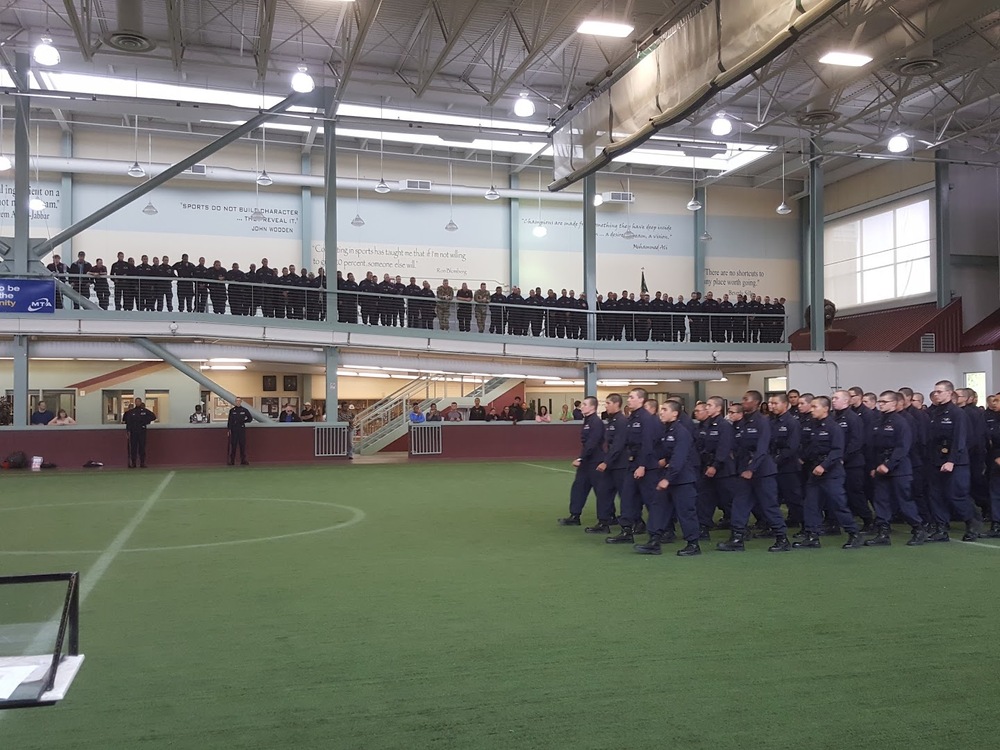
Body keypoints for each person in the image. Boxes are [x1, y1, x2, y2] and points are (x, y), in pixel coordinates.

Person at [791, 396, 864, 550]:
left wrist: (824, 466)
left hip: (831, 472)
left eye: (814, 407)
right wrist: (802, 458)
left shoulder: (834, 427)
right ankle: (812, 536)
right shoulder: (813, 426)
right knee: (811, 504)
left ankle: (854, 534)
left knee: (838, 504)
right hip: (815, 470)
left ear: (825, 408)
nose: (811, 410)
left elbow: (837, 450)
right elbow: (811, 446)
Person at [634, 401, 702, 556]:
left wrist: (668, 478)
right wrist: (662, 459)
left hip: (682, 480)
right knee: (658, 508)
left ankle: (693, 544)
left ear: (675, 413)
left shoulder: (681, 432)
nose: (661, 412)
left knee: (686, 512)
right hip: (667, 478)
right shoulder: (664, 431)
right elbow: (660, 450)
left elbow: (679, 458)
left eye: (665, 409)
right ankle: (654, 541)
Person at [864, 391, 927, 546]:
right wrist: (874, 466)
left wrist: (888, 465)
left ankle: (918, 529)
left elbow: (903, 447)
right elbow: (872, 447)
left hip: (899, 468)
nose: (881, 404)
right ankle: (883, 533)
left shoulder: (901, 422)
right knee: (881, 501)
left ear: (894, 403)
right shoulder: (877, 421)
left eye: (885, 402)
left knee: (904, 501)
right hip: (880, 468)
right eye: (880, 401)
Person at [558, 396, 615, 529]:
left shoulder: (596, 422)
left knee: (601, 491)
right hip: (587, 461)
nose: (582, 406)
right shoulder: (587, 421)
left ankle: (607, 519)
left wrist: (581, 458)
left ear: (592, 407)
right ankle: (575, 515)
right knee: (578, 488)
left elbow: (592, 443)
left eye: (584, 404)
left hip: (595, 461)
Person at [123, 398, 156, 468]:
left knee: (142, 447)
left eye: (139, 401)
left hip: (142, 431)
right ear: (135, 402)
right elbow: (128, 422)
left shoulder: (144, 411)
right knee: (133, 448)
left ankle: (142, 463)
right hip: (133, 432)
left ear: (141, 402)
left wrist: (146, 421)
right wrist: (128, 431)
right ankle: (134, 463)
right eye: (136, 401)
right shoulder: (131, 412)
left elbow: (153, 416)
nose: (137, 403)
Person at [227, 397, 253, 465]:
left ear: (241, 402)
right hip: (234, 429)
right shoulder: (232, 410)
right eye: (237, 401)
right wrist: (229, 429)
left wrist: (244, 421)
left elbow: (250, 418)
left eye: (239, 401)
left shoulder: (244, 410)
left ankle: (243, 460)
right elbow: (229, 421)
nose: (238, 402)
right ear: (235, 402)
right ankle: (232, 460)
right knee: (233, 445)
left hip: (241, 429)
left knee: (242, 445)